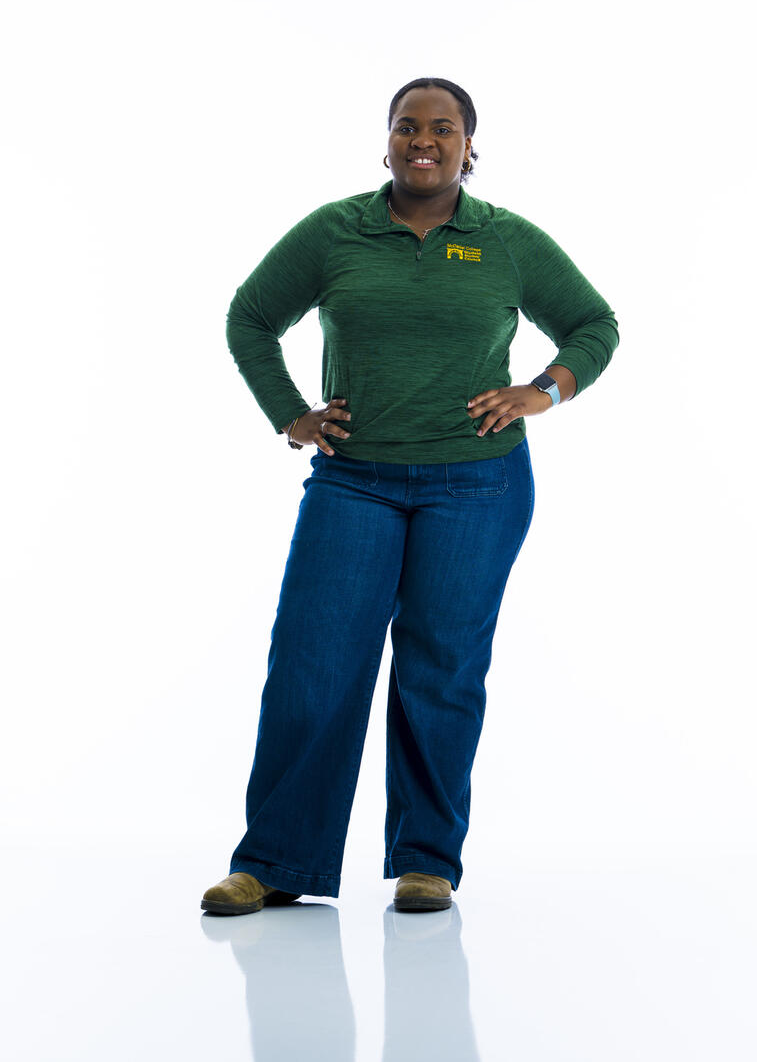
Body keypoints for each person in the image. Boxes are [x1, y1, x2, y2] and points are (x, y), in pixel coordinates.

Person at [201, 77, 619, 916]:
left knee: (441, 668)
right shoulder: (335, 232)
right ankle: (278, 859)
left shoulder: (505, 241)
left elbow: (593, 324)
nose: (421, 139)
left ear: (470, 146)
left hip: (477, 483)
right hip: (353, 482)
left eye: (443, 128)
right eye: (405, 126)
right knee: (314, 666)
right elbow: (249, 316)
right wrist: (291, 415)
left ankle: (426, 860)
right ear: (385, 140)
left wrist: (543, 389)